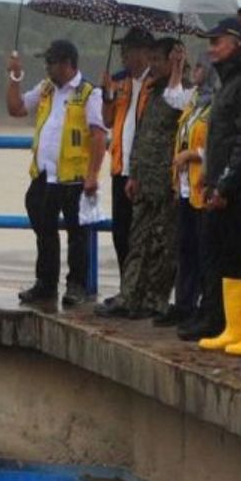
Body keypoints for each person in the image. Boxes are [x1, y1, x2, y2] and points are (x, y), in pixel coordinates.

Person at [176, 18, 241, 348]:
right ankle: (219, 319)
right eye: (210, 41)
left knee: (239, 259)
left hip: (237, 194)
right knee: (215, 256)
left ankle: (238, 325)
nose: (212, 47)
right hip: (219, 188)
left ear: (238, 44)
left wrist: (225, 187)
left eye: (218, 41)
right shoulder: (227, 83)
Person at [7, 39, 106, 306]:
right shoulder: (46, 89)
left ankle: (77, 286)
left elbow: (98, 136)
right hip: (45, 175)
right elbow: (16, 109)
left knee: (77, 234)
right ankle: (46, 283)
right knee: (44, 230)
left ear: (66, 64)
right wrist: (14, 77)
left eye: (51, 62)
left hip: (74, 176)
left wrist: (93, 174)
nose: (47, 67)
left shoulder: (89, 93)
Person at [95, 38, 183, 319]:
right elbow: (141, 133)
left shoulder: (183, 90)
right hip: (142, 177)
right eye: (153, 59)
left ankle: (154, 300)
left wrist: (179, 72)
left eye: (159, 60)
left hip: (167, 181)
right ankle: (129, 295)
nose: (153, 66)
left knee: (163, 245)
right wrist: (133, 173)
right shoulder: (151, 91)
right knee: (136, 239)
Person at [154, 53, 218, 327]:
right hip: (184, 188)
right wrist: (177, 69)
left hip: (201, 187)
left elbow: (219, 145)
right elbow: (172, 97)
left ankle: (203, 308)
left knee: (204, 251)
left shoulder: (217, 104)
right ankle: (183, 305)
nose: (197, 71)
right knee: (185, 249)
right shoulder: (193, 99)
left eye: (201, 67)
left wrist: (192, 154)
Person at [100, 27, 154, 278]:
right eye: (122, 51)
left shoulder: (156, 84)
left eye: (129, 50)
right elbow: (108, 121)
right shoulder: (119, 81)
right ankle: (126, 286)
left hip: (144, 171)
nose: (124, 56)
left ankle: (140, 289)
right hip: (120, 168)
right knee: (120, 232)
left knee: (143, 234)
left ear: (145, 53)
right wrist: (107, 96)